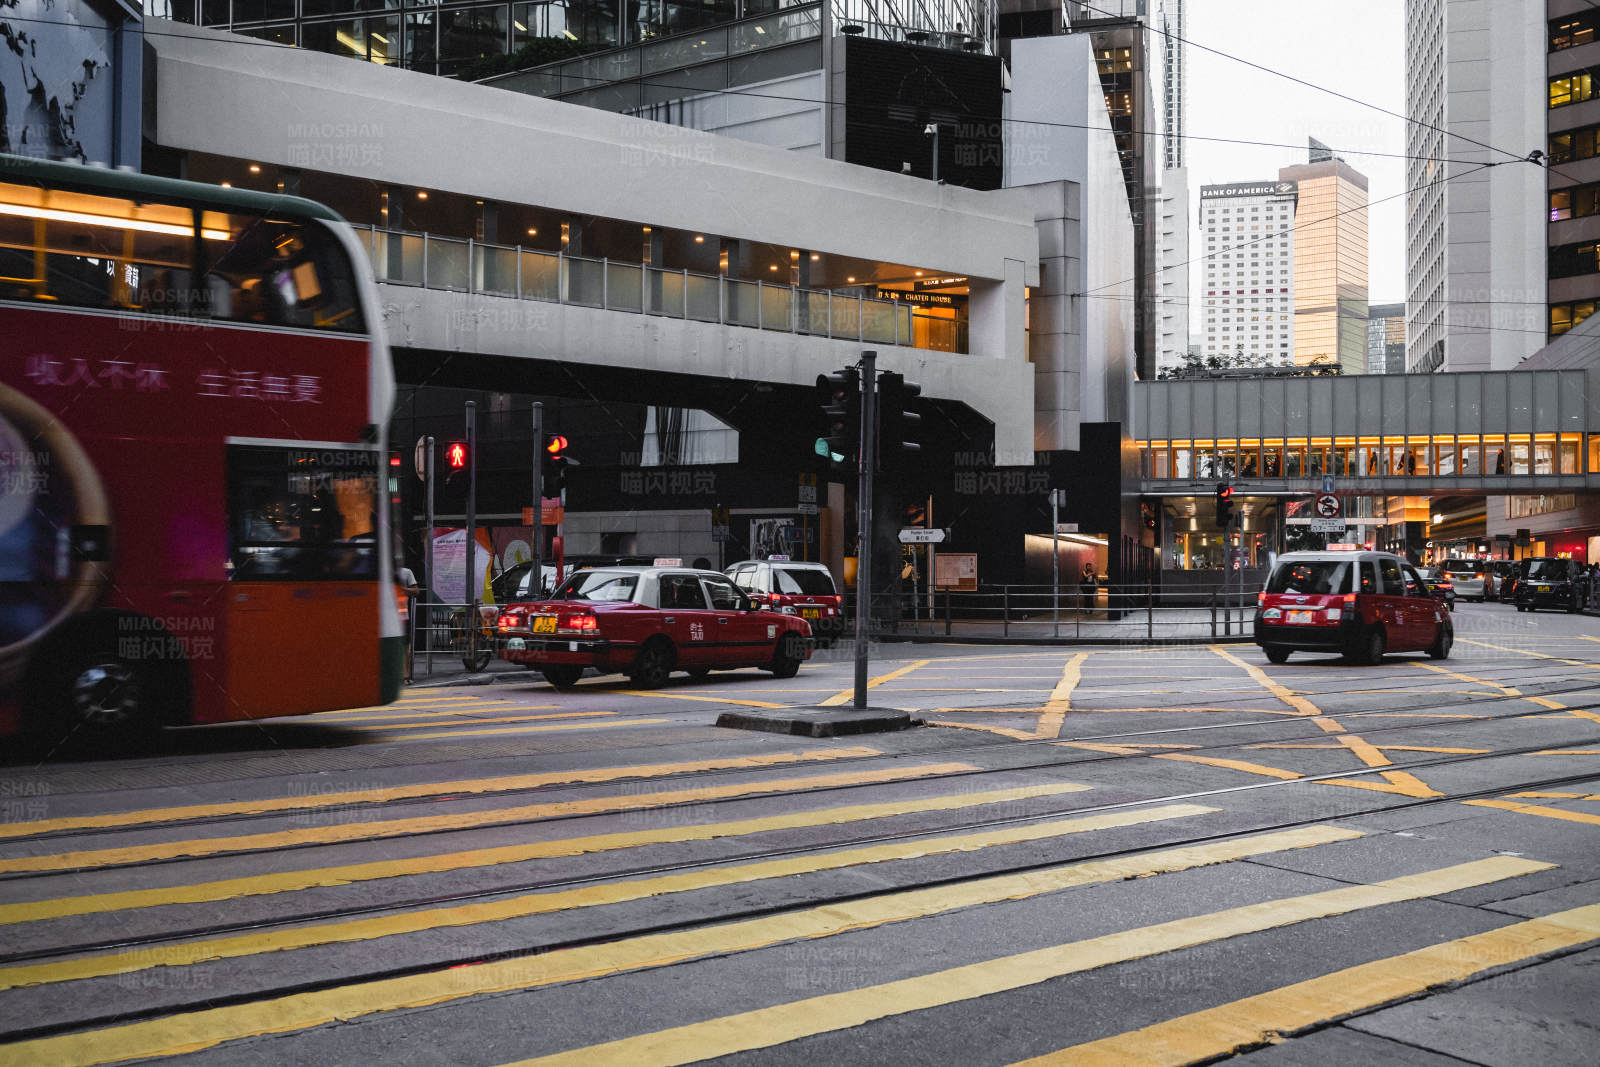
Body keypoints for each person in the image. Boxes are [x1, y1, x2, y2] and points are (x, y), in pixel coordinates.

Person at [396, 563, 420, 683]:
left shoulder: (406, 572)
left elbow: (416, 590)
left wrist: (401, 590)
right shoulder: (379, 570)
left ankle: (405, 675)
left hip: (401, 614)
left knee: (405, 645)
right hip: (384, 614)